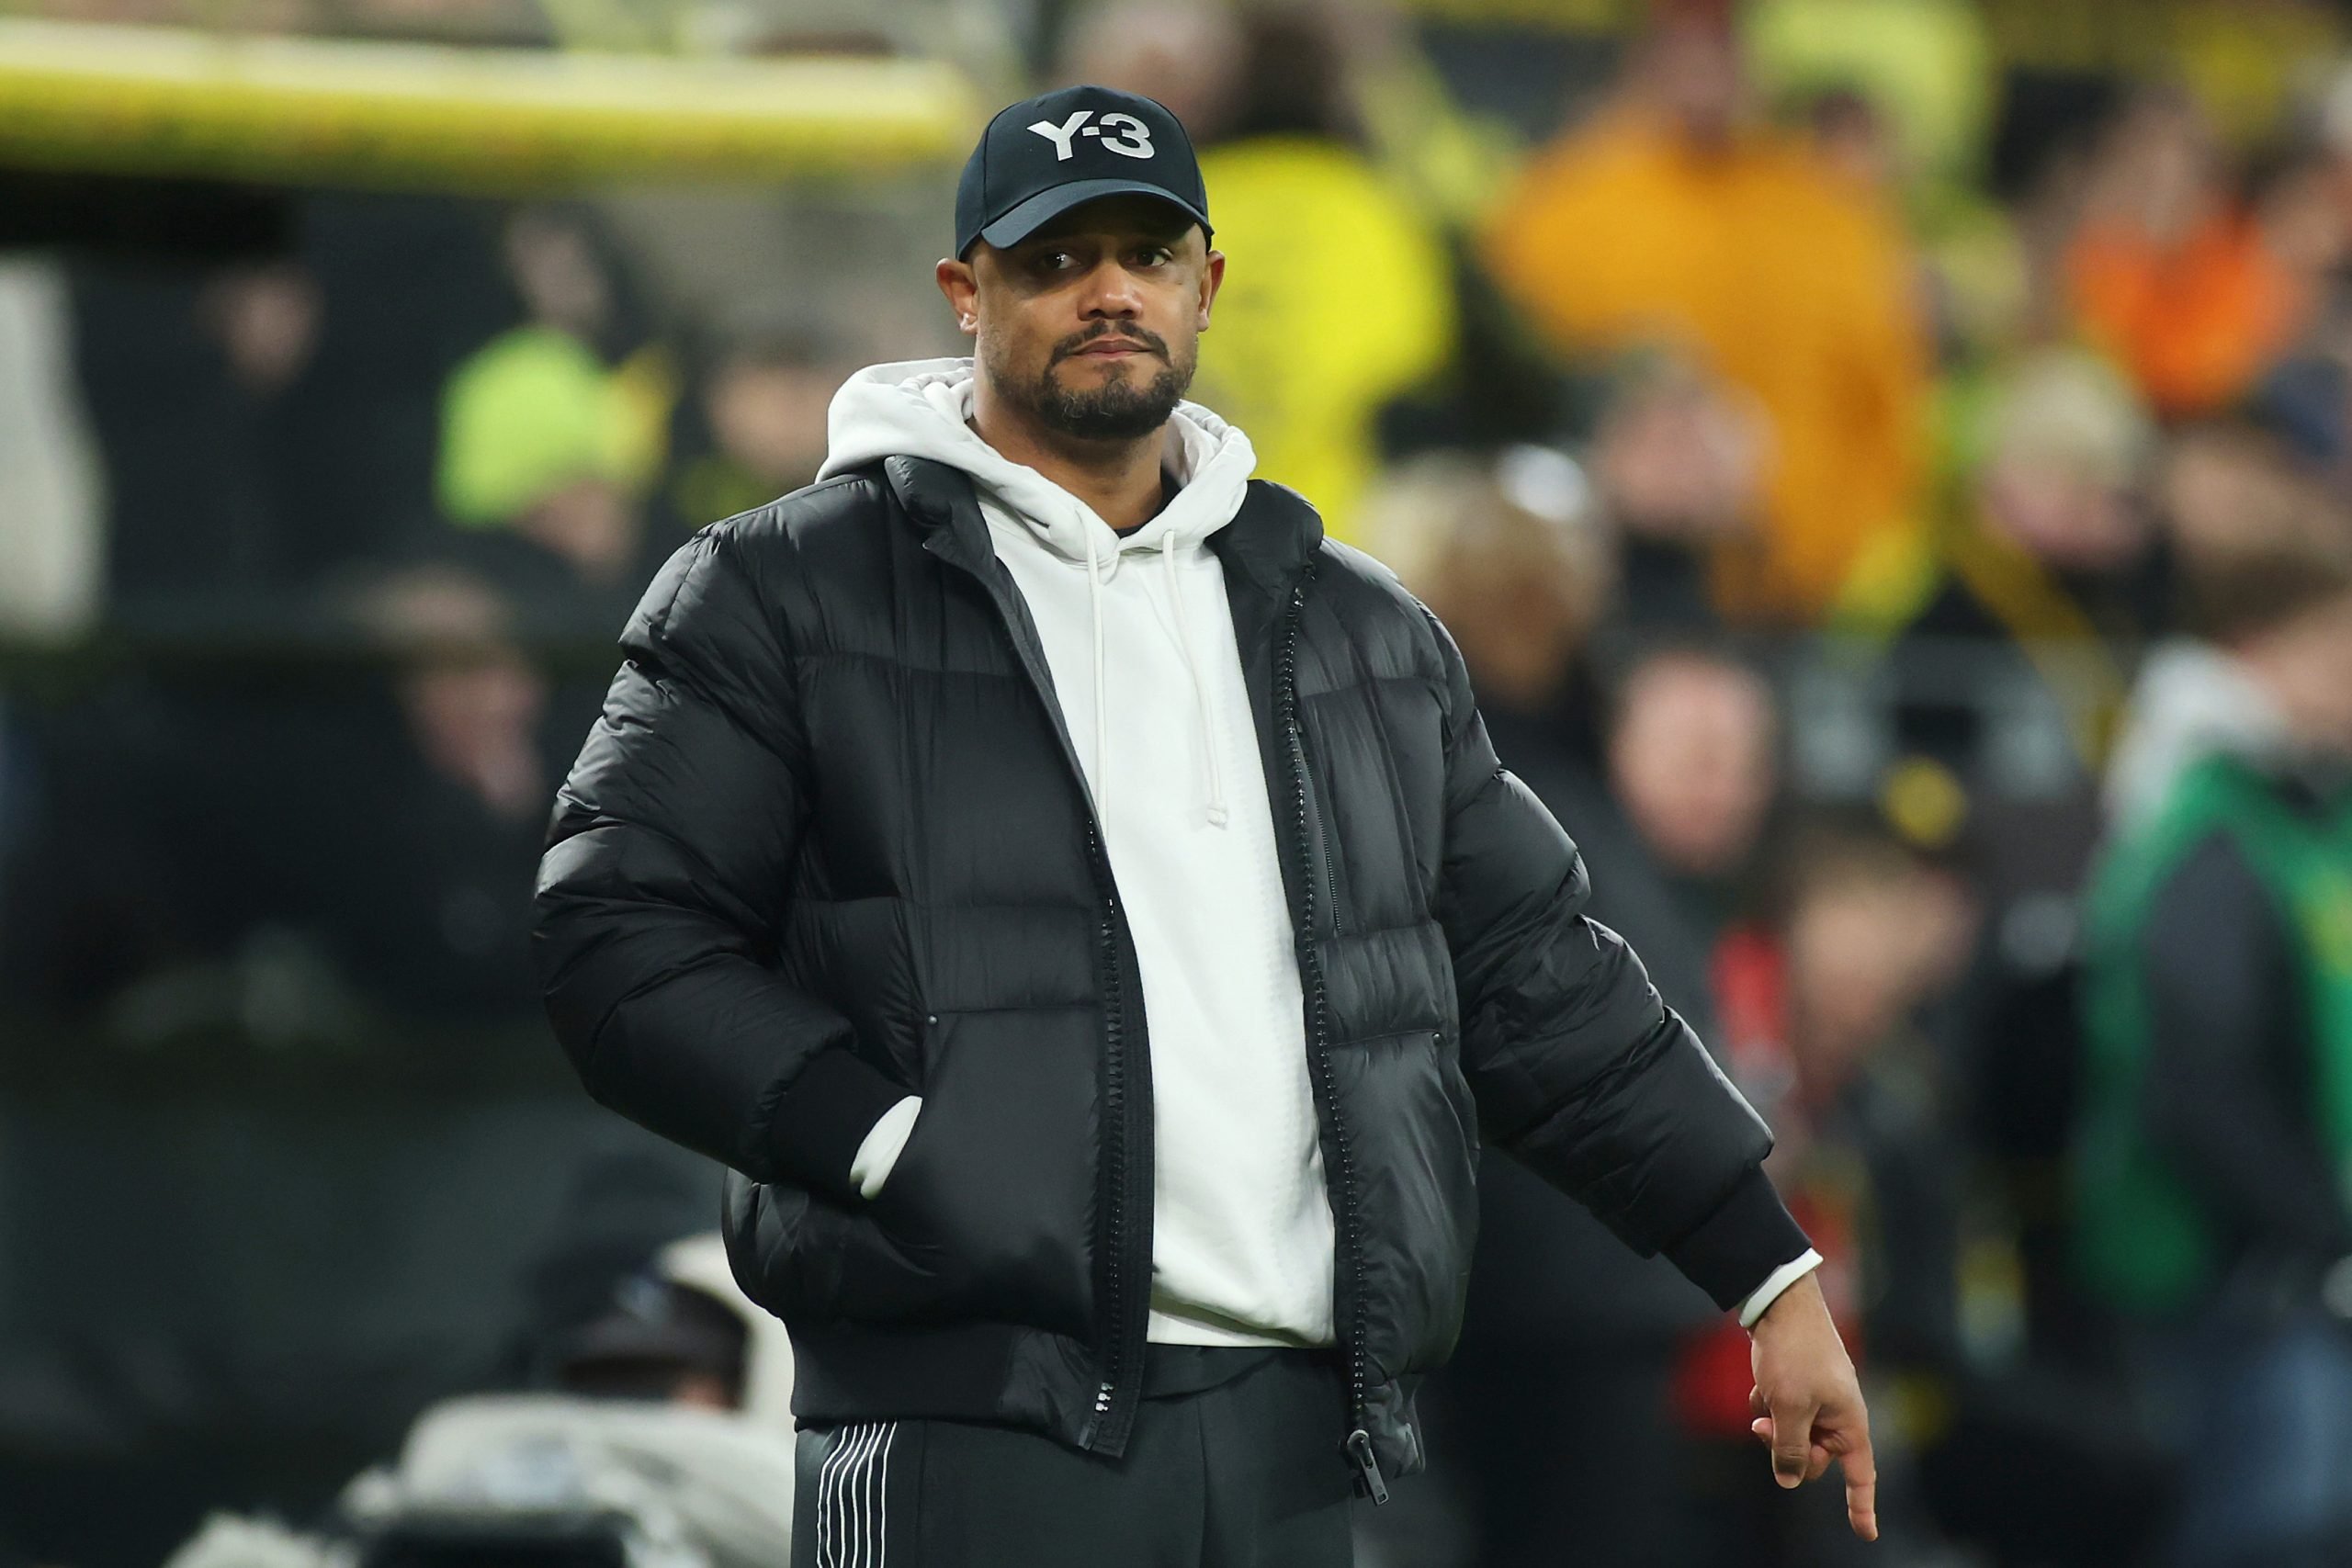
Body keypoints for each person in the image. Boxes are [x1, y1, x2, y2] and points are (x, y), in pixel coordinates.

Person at [535, 85, 1874, 1566]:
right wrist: (887, 1140)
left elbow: (1538, 975)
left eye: (1148, 254)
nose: (1110, 291)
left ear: (1207, 285)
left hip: (1292, 1432)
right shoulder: (782, 588)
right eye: (1056, 258)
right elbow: (614, 933)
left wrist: (1767, 1270)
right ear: (965, 293)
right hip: (966, 1412)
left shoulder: (1355, 627)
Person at [2075, 547, 2352, 1567]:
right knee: (2275, 1523)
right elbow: (2196, 1072)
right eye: (2334, 652)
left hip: (2297, 1253)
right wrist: (2317, 1225)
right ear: (2256, 654)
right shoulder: (2208, 822)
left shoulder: (2308, 815)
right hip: (2231, 1267)